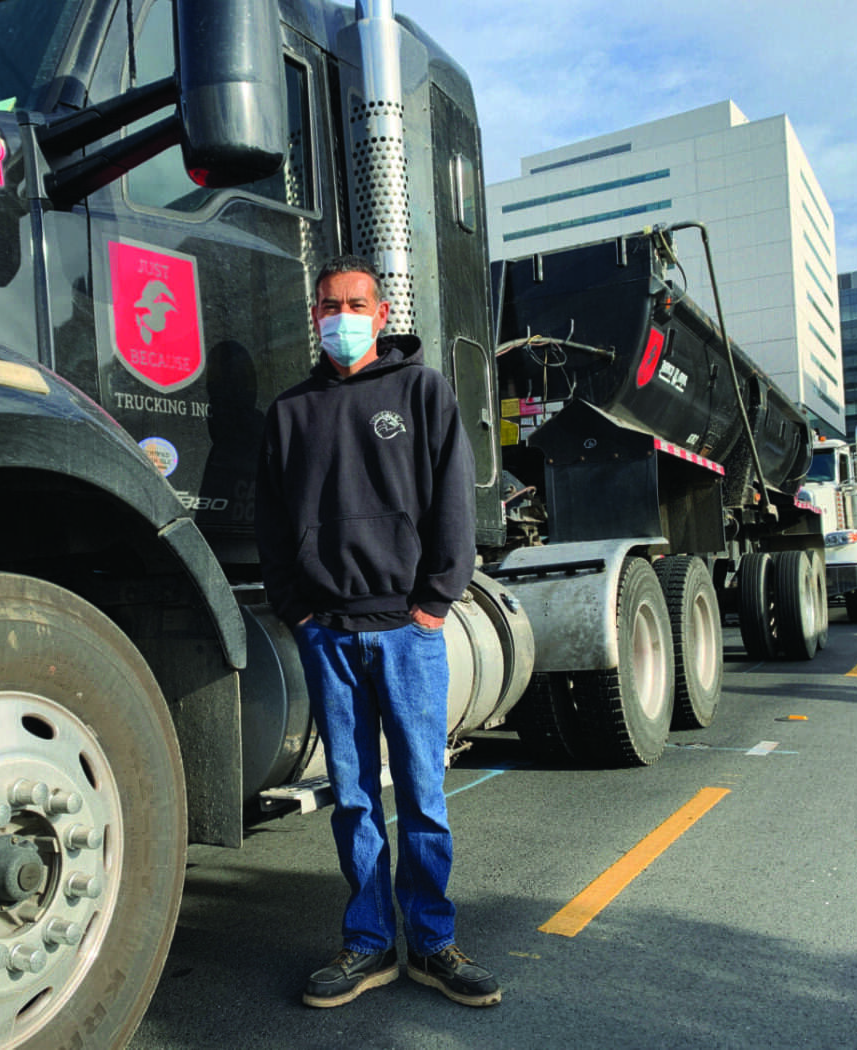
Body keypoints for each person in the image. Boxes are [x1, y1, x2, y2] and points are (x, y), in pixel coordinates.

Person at [255, 255, 501, 1009]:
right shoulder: (290, 413)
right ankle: (369, 945)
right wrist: (297, 609)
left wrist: (434, 601)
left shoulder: (421, 391)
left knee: (424, 793)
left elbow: (451, 502)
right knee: (356, 799)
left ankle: (432, 943)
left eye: (354, 302)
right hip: (329, 633)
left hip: (407, 631)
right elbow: (271, 522)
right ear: (315, 316)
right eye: (329, 305)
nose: (341, 316)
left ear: (381, 310)